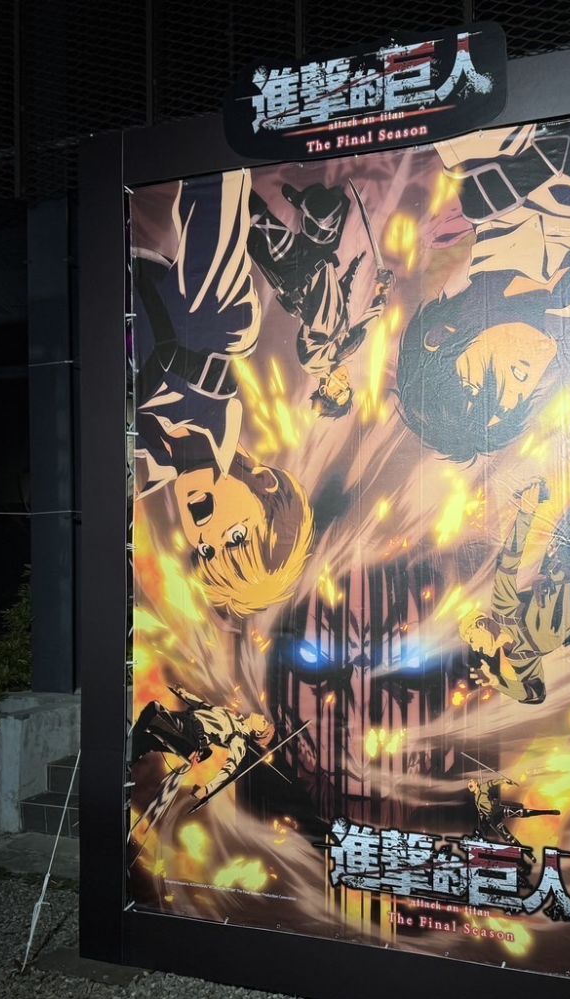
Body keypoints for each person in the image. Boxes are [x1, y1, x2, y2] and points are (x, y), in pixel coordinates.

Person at [395, 113, 570, 462]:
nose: (516, 386)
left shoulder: (478, 163)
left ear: (440, 336)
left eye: (475, 389)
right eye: (510, 406)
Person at [132, 171, 314, 617]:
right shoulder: (221, 334)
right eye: (235, 538)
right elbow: (213, 180)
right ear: (264, 484)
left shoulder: (136, 474)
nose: (203, 531)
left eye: (205, 552)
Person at [460, 454, 570, 705]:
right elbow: (536, 694)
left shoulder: (503, 610)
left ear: (481, 624)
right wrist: (498, 682)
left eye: (471, 638)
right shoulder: (521, 659)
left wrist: (526, 514)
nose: (475, 648)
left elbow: (508, 563)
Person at [247, 182, 392, 418]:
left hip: (295, 266)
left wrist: (382, 298)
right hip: (317, 259)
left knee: (256, 215)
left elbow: (356, 334)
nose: (345, 383)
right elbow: (341, 297)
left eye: (338, 391)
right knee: (335, 208)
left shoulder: (315, 361)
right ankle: (304, 201)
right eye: (347, 389)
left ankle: (232, 190)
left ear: (324, 390)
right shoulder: (337, 341)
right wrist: (357, 271)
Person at [129, 686, 277, 841]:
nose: (262, 717)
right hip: (186, 721)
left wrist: (207, 789)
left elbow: (229, 769)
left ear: (257, 732)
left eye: (263, 722)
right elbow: (203, 706)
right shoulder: (232, 715)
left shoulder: (240, 740)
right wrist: (184, 694)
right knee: (147, 740)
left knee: (154, 711)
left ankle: (133, 751)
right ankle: (130, 755)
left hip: (191, 735)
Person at [467, 776, 559, 844]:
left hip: (497, 810)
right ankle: (527, 853)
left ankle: (549, 812)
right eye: (468, 784)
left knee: (523, 813)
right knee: (508, 837)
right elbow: (480, 812)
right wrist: (484, 823)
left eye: (471, 781)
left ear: (476, 783)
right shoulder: (475, 799)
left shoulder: (483, 787)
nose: (469, 784)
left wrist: (504, 780)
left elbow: (493, 782)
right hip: (492, 818)